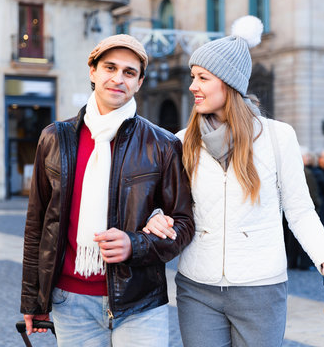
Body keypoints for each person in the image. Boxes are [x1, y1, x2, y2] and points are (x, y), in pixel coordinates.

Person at [144, 16, 324, 347]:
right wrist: (156, 216)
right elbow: (165, 203)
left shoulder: (277, 136)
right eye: (193, 77)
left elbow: (299, 209)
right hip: (197, 286)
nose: (192, 86)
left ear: (227, 83)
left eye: (202, 78)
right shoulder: (182, 140)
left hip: (261, 288)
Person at [20, 34, 195, 346]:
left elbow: (183, 224)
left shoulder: (163, 144)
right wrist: (32, 299)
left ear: (139, 82)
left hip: (140, 301)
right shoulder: (54, 138)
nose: (118, 78)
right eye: (110, 68)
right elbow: (37, 225)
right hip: (70, 302)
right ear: (93, 71)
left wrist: (135, 244)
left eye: (129, 72)